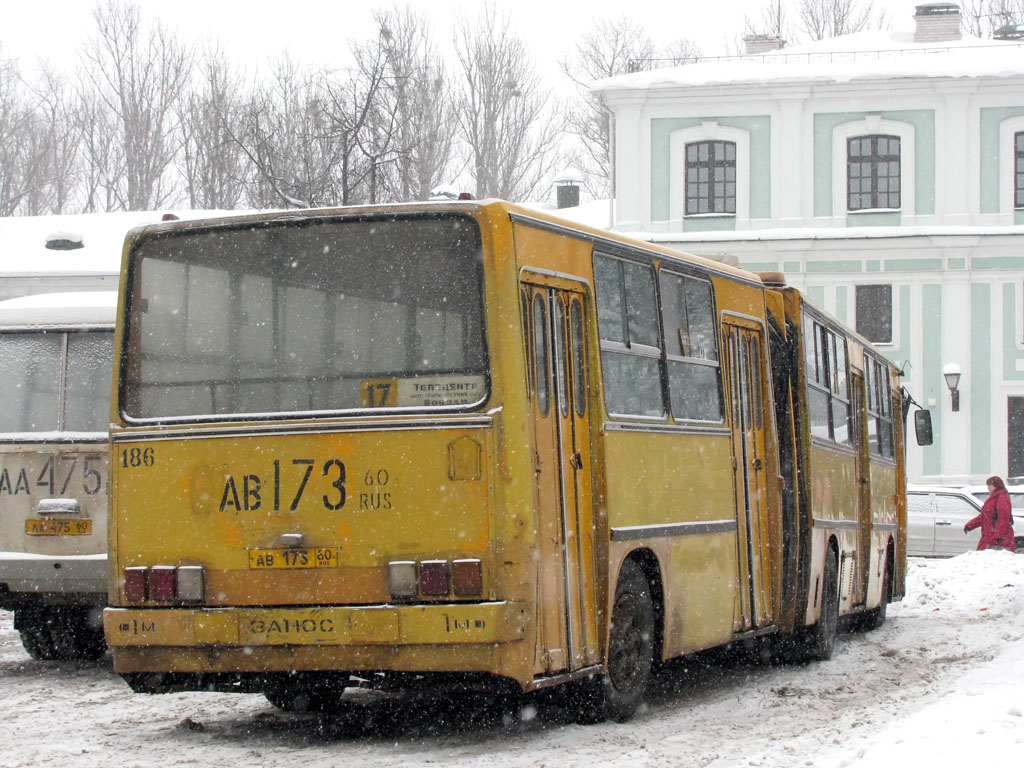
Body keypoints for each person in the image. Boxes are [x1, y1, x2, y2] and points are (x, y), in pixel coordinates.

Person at [964, 475, 1016, 552]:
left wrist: (999, 536)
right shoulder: (995, 497)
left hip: (997, 539)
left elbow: (1003, 518)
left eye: (989, 485)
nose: (988, 488)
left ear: (996, 486)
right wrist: (970, 525)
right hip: (990, 536)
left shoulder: (1001, 498)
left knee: (994, 560)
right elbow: (985, 516)